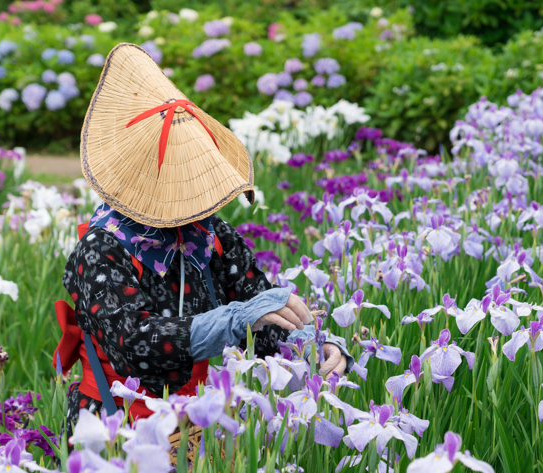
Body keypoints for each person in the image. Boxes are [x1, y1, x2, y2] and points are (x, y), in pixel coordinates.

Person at [54, 43, 351, 435]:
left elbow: (259, 307)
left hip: (196, 419)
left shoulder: (210, 236)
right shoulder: (99, 251)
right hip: (115, 425)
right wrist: (233, 320)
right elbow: (135, 346)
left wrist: (312, 346)